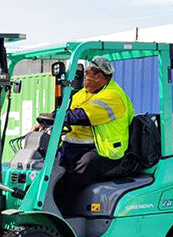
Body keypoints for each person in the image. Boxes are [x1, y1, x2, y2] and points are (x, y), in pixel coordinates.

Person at [53, 56, 135, 202]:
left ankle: (63, 210)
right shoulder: (82, 94)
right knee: (52, 170)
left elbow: (83, 116)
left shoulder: (113, 96)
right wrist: (46, 121)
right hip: (75, 147)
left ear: (99, 75)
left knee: (78, 173)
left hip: (104, 151)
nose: (84, 76)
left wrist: (56, 117)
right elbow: (65, 112)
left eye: (87, 73)